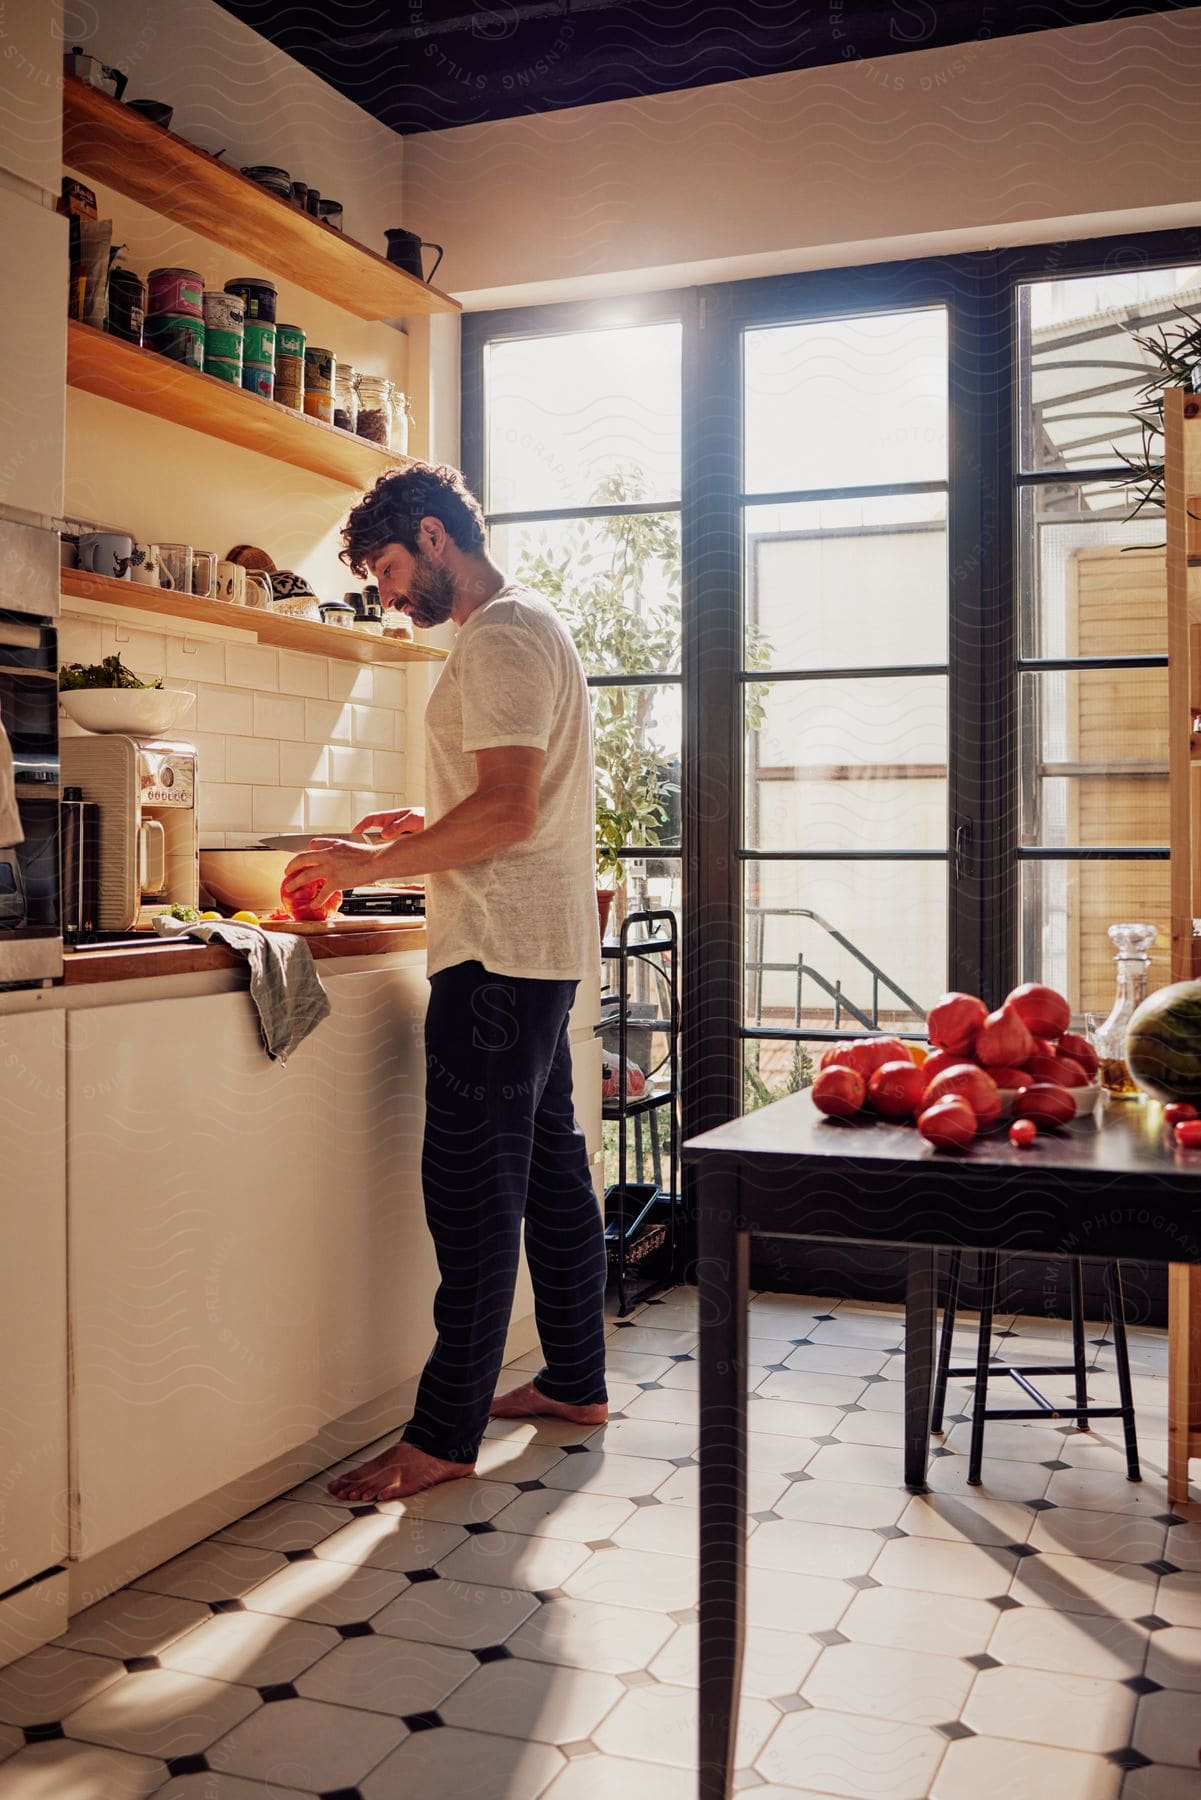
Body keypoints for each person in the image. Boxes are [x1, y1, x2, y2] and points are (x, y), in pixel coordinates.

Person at [283, 463, 609, 1502]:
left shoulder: (500, 636)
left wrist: (365, 870)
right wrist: (422, 829)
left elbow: (512, 814)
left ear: (433, 536)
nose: (388, 595)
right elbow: (513, 802)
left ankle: (442, 1435)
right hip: (533, 948)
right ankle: (574, 1379)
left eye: (386, 570)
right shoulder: (525, 624)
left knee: (471, 1192)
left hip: (497, 959)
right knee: (551, 1169)